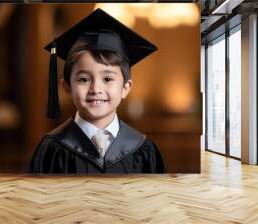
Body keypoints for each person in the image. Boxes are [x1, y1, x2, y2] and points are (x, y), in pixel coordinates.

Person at [30, 8, 164, 174]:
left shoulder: (143, 149)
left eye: (107, 79)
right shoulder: (52, 148)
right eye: (84, 80)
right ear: (67, 87)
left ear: (125, 88)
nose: (96, 89)